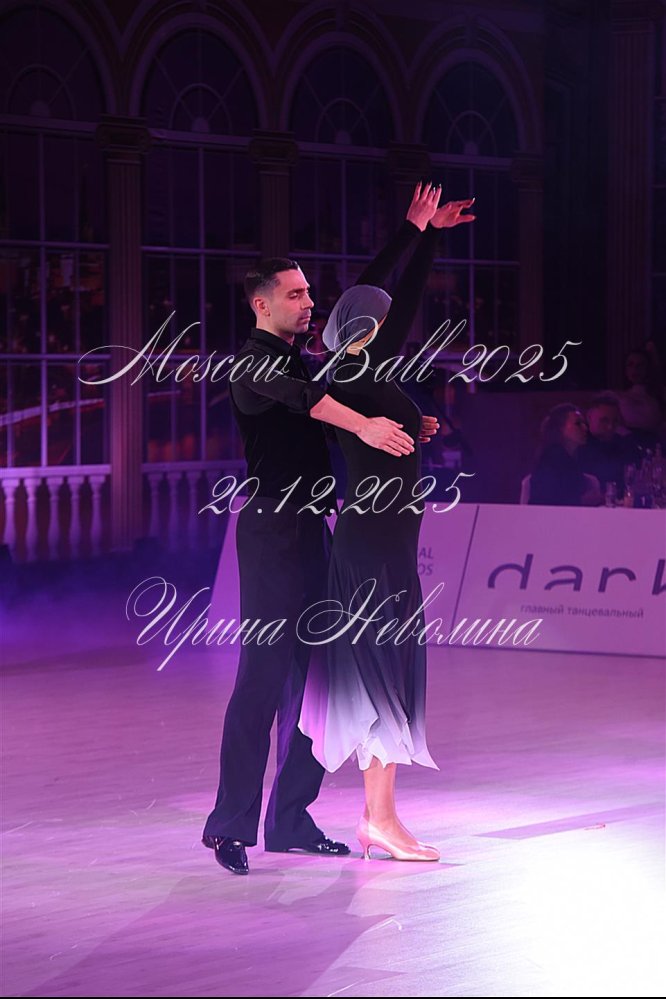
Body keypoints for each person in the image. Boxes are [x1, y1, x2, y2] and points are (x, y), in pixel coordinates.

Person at [202, 256, 418, 875]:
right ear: (261, 304)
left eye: (308, 294)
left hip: (315, 532)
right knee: (263, 677)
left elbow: (360, 303)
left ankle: (291, 819)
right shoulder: (251, 364)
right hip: (271, 533)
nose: (308, 303)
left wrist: (415, 232)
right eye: (295, 295)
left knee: (319, 685)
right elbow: (310, 401)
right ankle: (229, 825)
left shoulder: (300, 359)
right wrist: (366, 426)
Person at [298, 182, 476, 861]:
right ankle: (381, 819)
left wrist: (414, 424)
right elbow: (384, 296)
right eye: (372, 320)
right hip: (372, 545)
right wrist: (417, 232)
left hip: (390, 544)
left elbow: (383, 299)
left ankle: (380, 818)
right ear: (358, 330)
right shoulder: (348, 375)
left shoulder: (364, 374)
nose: (384, 322)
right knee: (380, 674)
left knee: (389, 671)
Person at [528, 403, 601, 506]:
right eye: (578, 424)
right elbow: (547, 500)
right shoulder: (550, 461)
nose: (585, 428)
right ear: (560, 429)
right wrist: (582, 501)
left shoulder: (574, 459)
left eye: (584, 423)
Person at [579, 392, 641, 498]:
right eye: (604, 421)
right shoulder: (578, 446)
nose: (610, 426)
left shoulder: (625, 445)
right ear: (589, 417)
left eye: (615, 421)